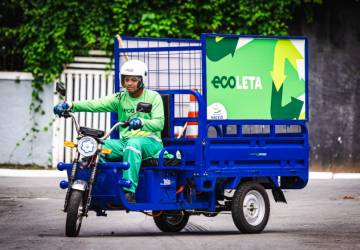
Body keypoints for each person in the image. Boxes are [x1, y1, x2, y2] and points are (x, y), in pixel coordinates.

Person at [53, 60, 164, 203]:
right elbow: (96, 104)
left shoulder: (153, 97)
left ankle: (129, 191)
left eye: (134, 80)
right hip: (125, 142)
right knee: (97, 148)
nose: (129, 83)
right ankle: (99, 188)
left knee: (133, 144)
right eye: (126, 79)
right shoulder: (120, 98)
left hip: (151, 143)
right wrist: (70, 105)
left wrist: (142, 122)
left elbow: (159, 123)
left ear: (142, 80)